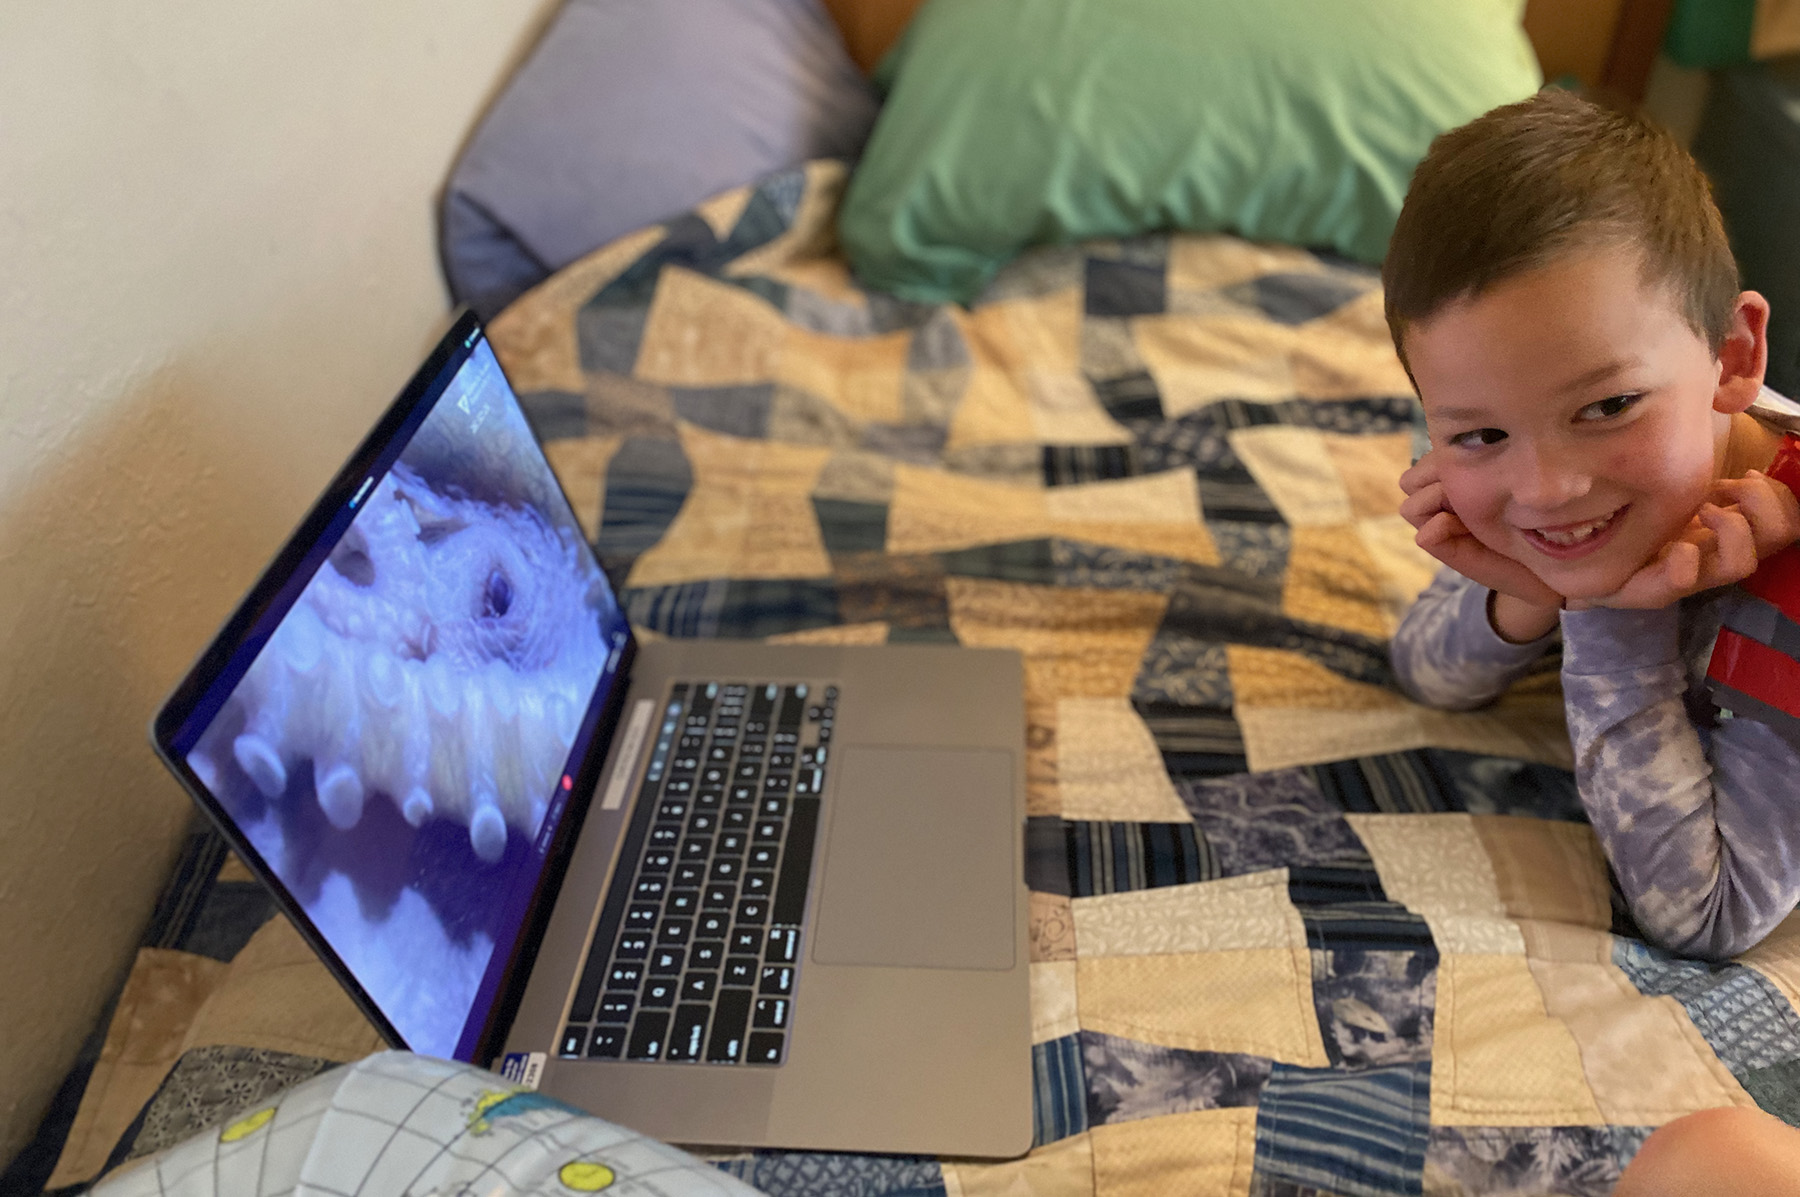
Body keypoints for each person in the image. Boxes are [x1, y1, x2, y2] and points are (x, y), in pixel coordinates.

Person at [1384, 87, 1800, 963]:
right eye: (1479, 434)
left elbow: (1710, 912)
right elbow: (1424, 668)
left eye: (1609, 405)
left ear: (1734, 358)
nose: (1545, 489)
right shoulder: (1562, 482)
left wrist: (1612, 611)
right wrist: (1540, 591)